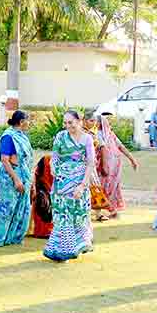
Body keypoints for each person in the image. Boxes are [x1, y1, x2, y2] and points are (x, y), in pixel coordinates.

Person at [43, 110, 96, 262]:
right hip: (61, 183)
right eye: (65, 123)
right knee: (62, 215)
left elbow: (90, 163)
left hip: (79, 183)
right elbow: (55, 157)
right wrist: (53, 167)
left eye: (71, 122)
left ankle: (75, 247)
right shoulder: (60, 136)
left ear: (79, 121)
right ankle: (61, 250)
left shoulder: (87, 139)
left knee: (77, 214)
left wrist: (82, 185)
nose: (68, 126)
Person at [0, 111, 34, 246]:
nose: (29, 123)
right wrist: (16, 179)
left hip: (23, 174)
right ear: (21, 122)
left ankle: (12, 237)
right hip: (10, 176)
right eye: (28, 120)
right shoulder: (9, 137)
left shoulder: (22, 136)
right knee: (5, 207)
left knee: (20, 208)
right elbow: (5, 160)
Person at [97, 113, 139, 218]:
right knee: (106, 187)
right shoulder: (100, 134)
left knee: (108, 187)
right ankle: (107, 209)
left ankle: (108, 209)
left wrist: (132, 159)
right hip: (109, 165)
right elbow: (119, 147)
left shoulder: (106, 134)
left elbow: (120, 147)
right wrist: (132, 160)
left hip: (111, 166)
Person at [83, 113, 110, 222]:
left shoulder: (93, 133)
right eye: (91, 121)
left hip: (91, 165)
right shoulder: (80, 133)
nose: (93, 123)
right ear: (84, 120)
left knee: (95, 186)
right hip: (81, 164)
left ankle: (98, 213)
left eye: (94, 121)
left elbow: (100, 147)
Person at [31, 155, 54, 238]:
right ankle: (41, 232)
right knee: (42, 205)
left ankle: (49, 231)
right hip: (42, 188)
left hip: (53, 190)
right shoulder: (46, 159)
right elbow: (35, 173)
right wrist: (34, 188)